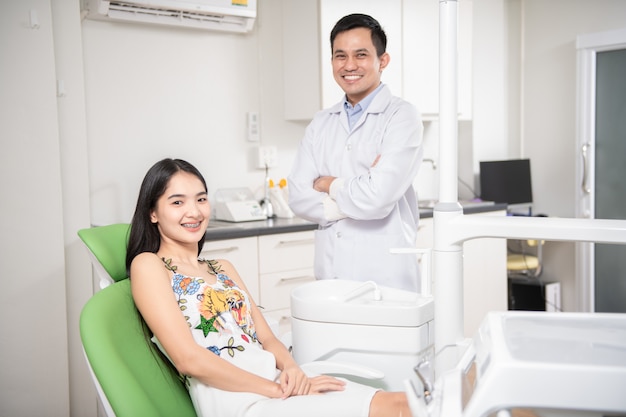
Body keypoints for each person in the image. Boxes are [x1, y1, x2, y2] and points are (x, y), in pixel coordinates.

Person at [126, 158, 411, 417]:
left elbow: (267, 338)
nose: (194, 211)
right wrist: (275, 390)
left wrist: (293, 371)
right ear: (153, 212)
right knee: (395, 408)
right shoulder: (149, 266)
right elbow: (189, 360)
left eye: (201, 199)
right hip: (240, 400)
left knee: (401, 401)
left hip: (278, 382)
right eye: (177, 202)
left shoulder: (222, 267)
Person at [287, 13, 424, 293]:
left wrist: (328, 185)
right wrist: (359, 193)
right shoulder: (321, 122)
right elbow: (298, 196)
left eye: (361, 55)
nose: (349, 66)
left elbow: (378, 198)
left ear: (382, 60)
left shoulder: (401, 116)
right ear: (332, 62)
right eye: (341, 56)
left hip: (386, 279)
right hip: (331, 276)